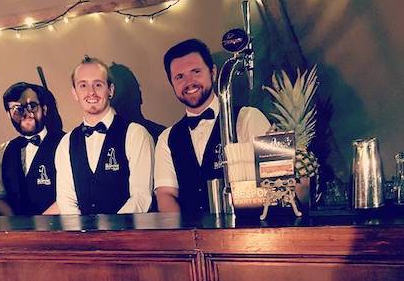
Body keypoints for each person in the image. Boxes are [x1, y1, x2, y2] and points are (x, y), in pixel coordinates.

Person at [154, 38, 271, 213]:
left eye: (196, 71)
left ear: (213, 72)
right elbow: (166, 194)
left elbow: (272, 183)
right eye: (179, 77)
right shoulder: (167, 139)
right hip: (192, 236)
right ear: (172, 83)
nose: (189, 82)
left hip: (247, 233)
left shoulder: (247, 118)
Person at [55, 57, 153, 215]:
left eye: (98, 84)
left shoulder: (136, 134)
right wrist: (84, 235)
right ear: (74, 93)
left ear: (111, 90)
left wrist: (109, 236)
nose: (91, 92)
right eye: (83, 85)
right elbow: (66, 200)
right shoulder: (66, 143)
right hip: (82, 237)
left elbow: (141, 198)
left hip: (128, 236)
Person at [0, 82, 65, 216]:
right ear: (9, 115)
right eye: (17, 109)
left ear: (44, 109)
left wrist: (39, 226)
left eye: (32, 106)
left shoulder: (66, 143)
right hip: (19, 233)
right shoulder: (2, 151)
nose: (26, 113)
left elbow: (71, 194)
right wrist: (17, 224)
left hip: (58, 230)